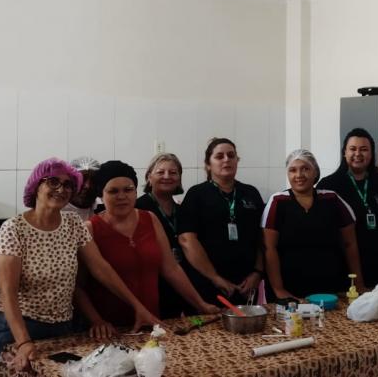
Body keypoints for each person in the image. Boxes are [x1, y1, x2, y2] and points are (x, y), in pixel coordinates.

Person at [0, 158, 160, 371]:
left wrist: (137, 307)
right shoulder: (13, 228)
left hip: (62, 328)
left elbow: (101, 268)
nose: (61, 189)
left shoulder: (72, 223)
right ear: (36, 185)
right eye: (53, 182)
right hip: (17, 327)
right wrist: (23, 342)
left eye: (68, 184)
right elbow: (7, 291)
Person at [78, 160, 218, 329]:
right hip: (111, 328)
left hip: (152, 323)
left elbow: (171, 269)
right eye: (113, 191)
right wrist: (97, 321)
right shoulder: (90, 229)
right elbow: (78, 287)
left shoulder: (150, 219)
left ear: (136, 191)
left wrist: (200, 304)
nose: (122, 196)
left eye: (128, 190)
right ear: (101, 194)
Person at [262, 149, 365, 300]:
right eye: (293, 170)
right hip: (290, 291)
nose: (299, 175)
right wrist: (279, 290)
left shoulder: (331, 199)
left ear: (315, 172)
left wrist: (358, 284)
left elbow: (350, 243)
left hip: (329, 289)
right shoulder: (278, 202)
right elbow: (269, 248)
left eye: (305, 169)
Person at [177, 138, 266, 305]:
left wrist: (257, 273)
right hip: (208, 285)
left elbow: (262, 238)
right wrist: (215, 277)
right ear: (208, 164)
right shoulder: (196, 195)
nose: (226, 159)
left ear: (237, 161)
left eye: (231, 155)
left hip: (246, 286)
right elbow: (186, 240)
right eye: (219, 156)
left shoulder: (250, 193)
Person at [317, 128, 378, 287]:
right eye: (353, 149)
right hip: (343, 269)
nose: (358, 154)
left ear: (371, 153)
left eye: (364, 149)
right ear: (344, 152)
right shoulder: (329, 186)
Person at [134, 152, 191, 318]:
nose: (167, 177)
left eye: (173, 173)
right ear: (149, 177)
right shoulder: (138, 208)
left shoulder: (183, 210)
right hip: (149, 284)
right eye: (160, 172)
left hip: (178, 282)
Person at [64, 156, 101, 220]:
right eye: (83, 179)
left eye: (93, 180)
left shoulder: (104, 212)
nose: (87, 186)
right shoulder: (56, 212)